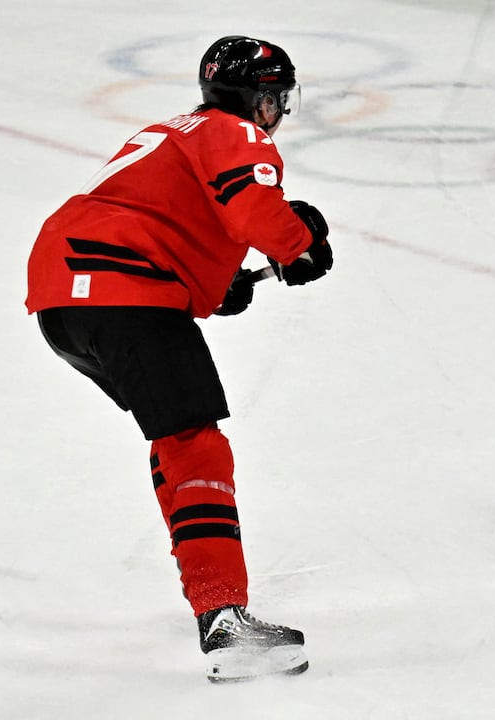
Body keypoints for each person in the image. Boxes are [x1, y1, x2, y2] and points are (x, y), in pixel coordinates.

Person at [25, 35, 333, 682]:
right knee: (193, 441)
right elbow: (255, 213)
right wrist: (300, 244)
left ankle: (214, 601)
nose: (276, 112)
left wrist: (225, 284)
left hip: (64, 298)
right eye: (274, 98)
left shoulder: (171, 131)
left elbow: (155, 219)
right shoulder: (235, 131)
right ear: (257, 97)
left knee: (178, 435)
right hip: (120, 288)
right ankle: (223, 617)